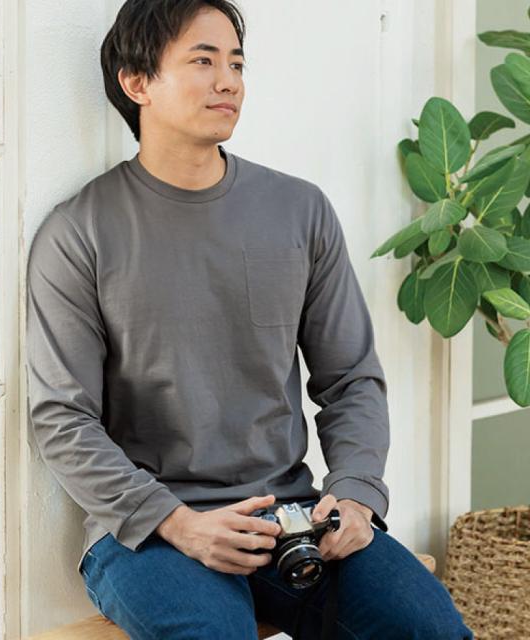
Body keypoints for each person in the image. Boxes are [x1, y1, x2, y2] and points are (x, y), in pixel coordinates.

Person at [25, 0, 474, 637]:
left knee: (434, 630)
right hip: (149, 532)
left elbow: (350, 380)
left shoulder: (299, 211)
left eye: (236, 64)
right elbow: (62, 418)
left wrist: (355, 493)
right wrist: (178, 523)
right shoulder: (79, 233)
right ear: (137, 82)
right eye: (203, 61)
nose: (228, 82)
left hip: (293, 514)